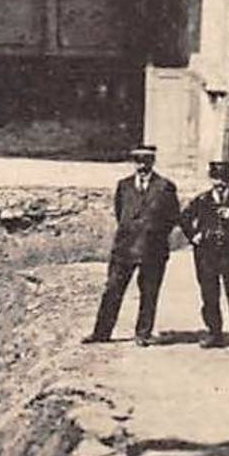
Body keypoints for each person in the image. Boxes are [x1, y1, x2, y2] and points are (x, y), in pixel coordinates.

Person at [84, 144, 181, 347]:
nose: (141, 165)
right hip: (125, 249)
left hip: (152, 249)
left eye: (146, 160)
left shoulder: (165, 186)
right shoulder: (124, 185)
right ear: (133, 162)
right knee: (112, 289)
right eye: (137, 160)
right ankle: (101, 333)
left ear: (152, 162)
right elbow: (121, 213)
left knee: (149, 292)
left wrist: (155, 234)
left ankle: (143, 334)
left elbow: (173, 217)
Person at [179, 160, 229, 357]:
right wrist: (193, 236)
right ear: (211, 179)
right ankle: (215, 333)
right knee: (210, 296)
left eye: (223, 179)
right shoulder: (202, 200)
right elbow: (183, 219)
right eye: (216, 179)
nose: (220, 184)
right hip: (207, 256)